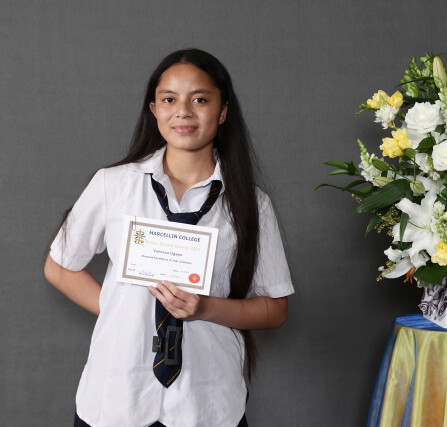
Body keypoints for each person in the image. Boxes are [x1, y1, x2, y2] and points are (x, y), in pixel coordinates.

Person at [44, 49, 294, 427]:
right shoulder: (113, 185)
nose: (183, 112)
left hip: (207, 402)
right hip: (117, 398)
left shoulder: (251, 203)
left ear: (223, 111)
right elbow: (59, 267)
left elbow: (275, 309)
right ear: (154, 110)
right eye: (169, 100)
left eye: (200, 99)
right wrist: (125, 311)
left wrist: (203, 308)